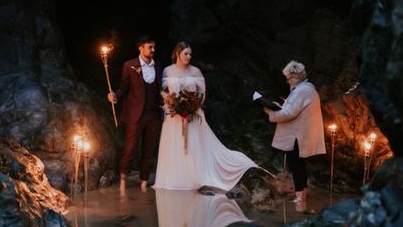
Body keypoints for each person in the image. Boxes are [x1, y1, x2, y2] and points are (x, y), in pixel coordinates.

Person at [153, 42, 259, 191]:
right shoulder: (167, 71)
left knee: (194, 145)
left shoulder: (195, 71)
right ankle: (175, 178)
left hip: (192, 114)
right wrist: (172, 104)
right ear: (177, 54)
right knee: (175, 145)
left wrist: (191, 107)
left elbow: (202, 94)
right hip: (173, 117)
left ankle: (194, 176)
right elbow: (162, 93)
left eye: (190, 54)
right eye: (186, 54)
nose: (189, 57)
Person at [264, 60, 325, 209]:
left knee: (296, 165)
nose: (287, 82)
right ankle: (301, 193)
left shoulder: (302, 90)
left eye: (288, 78)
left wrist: (270, 111)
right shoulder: (307, 89)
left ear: (296, 78)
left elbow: (289, 112)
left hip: (297, 136)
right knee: (299, 165)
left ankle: (300, 197)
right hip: (301, 134)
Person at [108, 35, 162, 192]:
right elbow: (123, 88)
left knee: (149, 149)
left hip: (153, 115)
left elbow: (161, 89)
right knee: (130, 148)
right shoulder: (129, 65)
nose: (153, 50)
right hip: (136, 114)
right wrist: (115, 96)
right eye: (149, 47)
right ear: (141, 48)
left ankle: (144, 181)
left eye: (153, 47)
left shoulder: (158, 66)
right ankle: (123, 180)